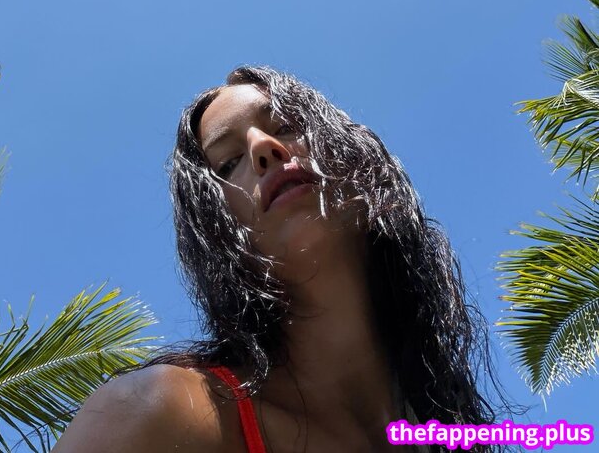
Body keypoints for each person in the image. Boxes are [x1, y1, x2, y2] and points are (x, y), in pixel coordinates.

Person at [55, 65, 504, 452]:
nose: (263, 148)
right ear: (214, 231)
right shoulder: (162, 413)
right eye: (227, 164)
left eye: (288, 125)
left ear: (362, 160)